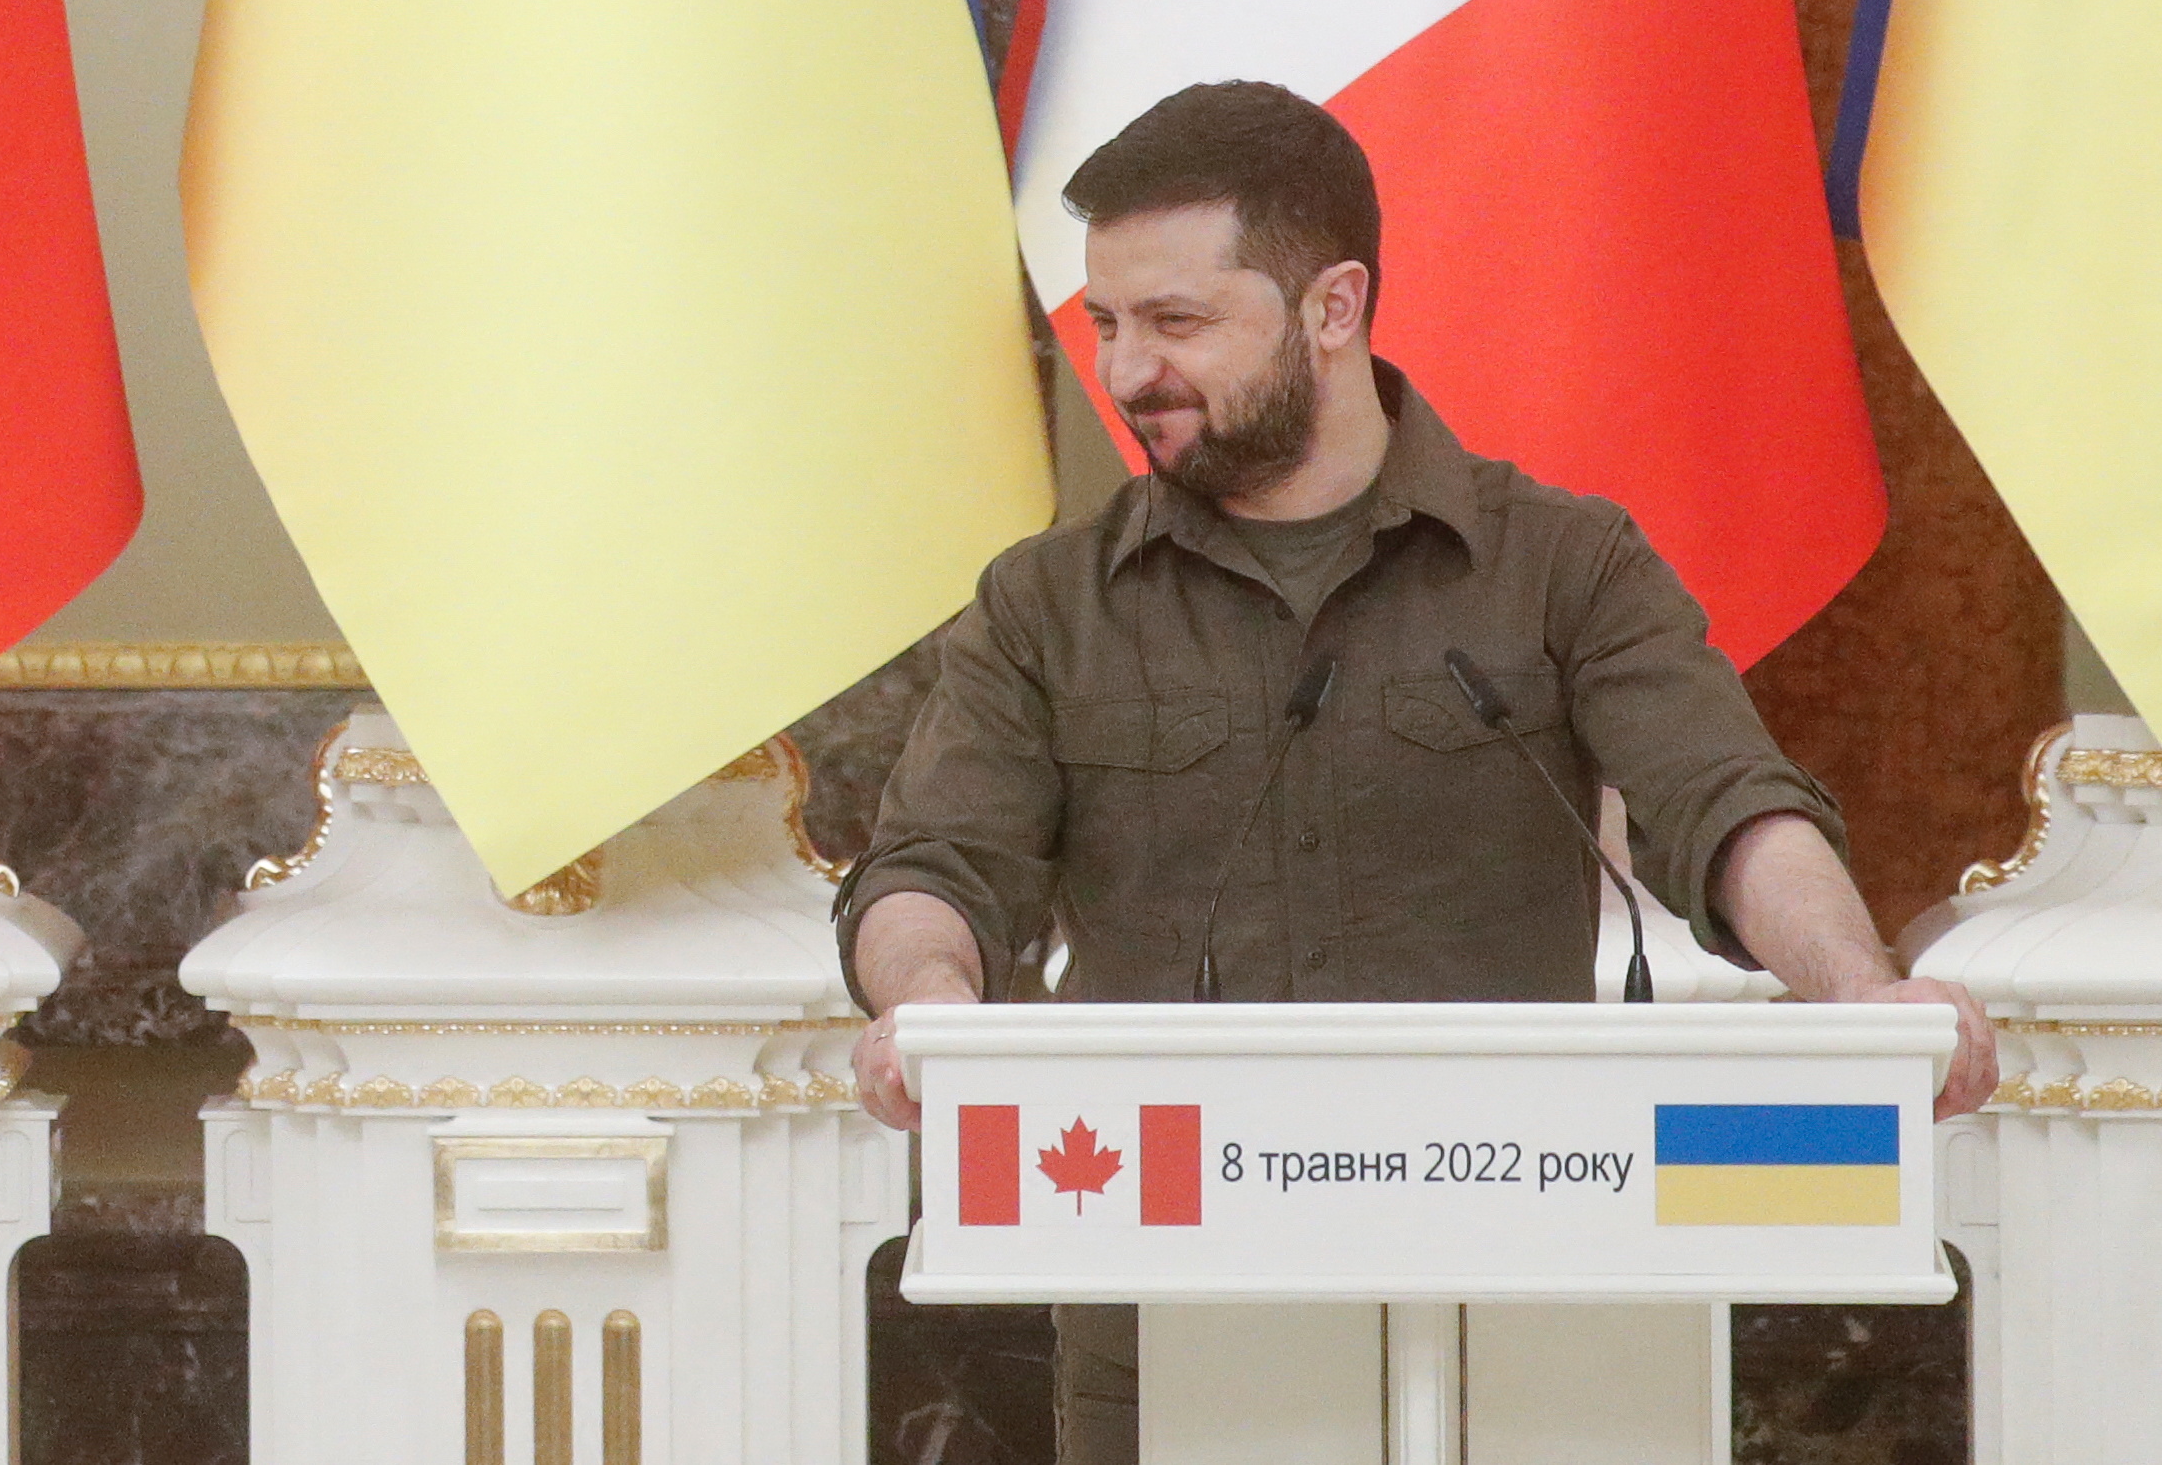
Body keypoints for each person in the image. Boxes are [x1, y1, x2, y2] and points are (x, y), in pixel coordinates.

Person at [838, 80, 1990, 1465]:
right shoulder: (1047, 604)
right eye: (1108, 323)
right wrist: (930, 1009)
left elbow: (1732, 808)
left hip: (1538, 1286)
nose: (1129, 367)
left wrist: (1864, 996)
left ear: (1334, 305)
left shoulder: (1564, 561)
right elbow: (932, 871)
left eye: (1179, 320)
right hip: (1167, 1301)